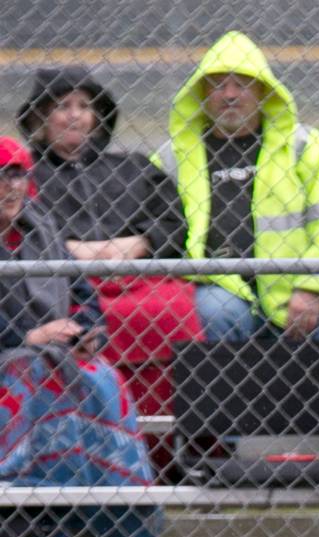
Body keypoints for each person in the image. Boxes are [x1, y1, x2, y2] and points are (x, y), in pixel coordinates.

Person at [154, 31, 319, 363]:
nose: (229, 95)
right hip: (216, 287)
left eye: (242, 84)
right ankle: (221, 414)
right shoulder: (172, 157)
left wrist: (312, 287)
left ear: (263, 90)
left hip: (294, 288)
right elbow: (153, 228)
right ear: (201, 92)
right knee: (217, 313)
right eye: (218, 85)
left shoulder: (304, 147)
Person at [16, 66, 203, 445]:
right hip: (66, 285)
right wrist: (69, 250)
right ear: (40, 116)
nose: (74, 115)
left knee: (176, 311)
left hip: (139, 278)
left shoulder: (132, 166)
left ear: (97, 115)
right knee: (89, 322)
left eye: (84, 106)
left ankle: (177, 443)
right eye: (61, 106)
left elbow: (173, 221)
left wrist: (138, 243)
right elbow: (17, 225)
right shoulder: (25, 173)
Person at [0, 137, 167, 537]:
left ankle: (122, 517)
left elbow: (83, 294)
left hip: (57, 354)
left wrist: (87, 334)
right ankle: (39, 522)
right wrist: (28, 339)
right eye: (0, 177)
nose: (10, 187)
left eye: (17, 174)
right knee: (36, 375)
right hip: (15, 358)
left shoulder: (41, 225)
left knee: (103, 376)